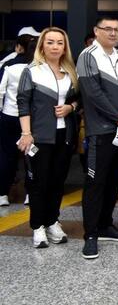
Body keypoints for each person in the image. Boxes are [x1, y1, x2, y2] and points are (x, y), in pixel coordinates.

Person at [77, 16, 118, 259]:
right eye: (108, 29)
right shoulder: (88, 56)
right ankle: (90, 235)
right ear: (96, 31)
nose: (113, 33)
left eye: (117, 29)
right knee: (95, 184)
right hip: (100, 131)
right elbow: (93, 93)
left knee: (113, 182)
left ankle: (105, 226)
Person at [16, 27, 79, 247]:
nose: (55, 46)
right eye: (50, 42)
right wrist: (26, 134)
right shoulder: (32, 71)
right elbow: (23, 103)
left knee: (57, 182)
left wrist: (71, 107)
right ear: (42, 45)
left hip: (64, 135)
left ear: (65, 47)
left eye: (60, 42)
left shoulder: (70, 71)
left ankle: (52, 221)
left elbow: (78, 99)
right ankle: (38, 226)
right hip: (39, 136)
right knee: (38, 183)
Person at [0, 33, 36, 207]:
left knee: (7, 156)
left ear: (19, 47)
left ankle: (2, 194)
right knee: (32, 155)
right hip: (31, 118)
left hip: (9, 116)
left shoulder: (8, 66)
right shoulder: (36, 67)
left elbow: (0, 91)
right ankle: (30, 193)